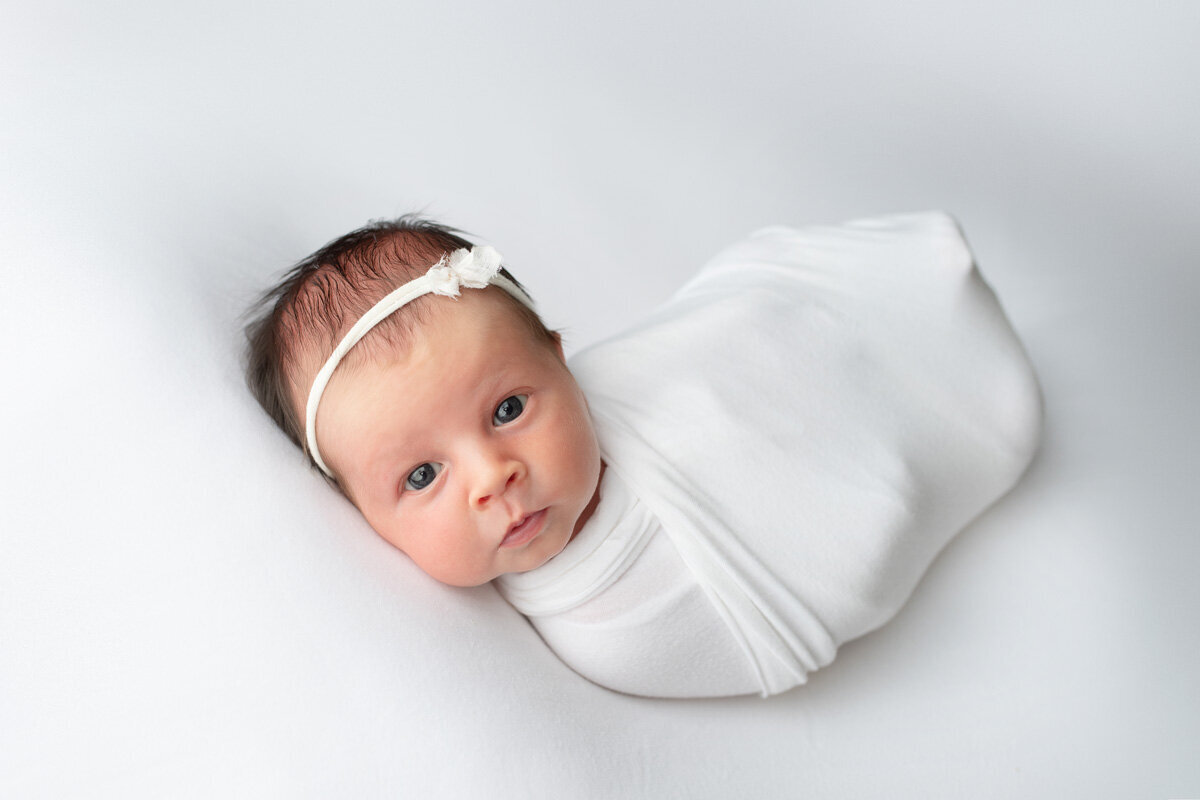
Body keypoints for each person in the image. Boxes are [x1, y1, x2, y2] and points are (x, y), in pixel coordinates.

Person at [244, 211, 1042, 698]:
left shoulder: (617, 402)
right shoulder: (611, 627)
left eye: (509, 408)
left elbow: (732, 361)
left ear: (562, 359)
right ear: (358, 514)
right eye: (422, 476)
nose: (494, 477)